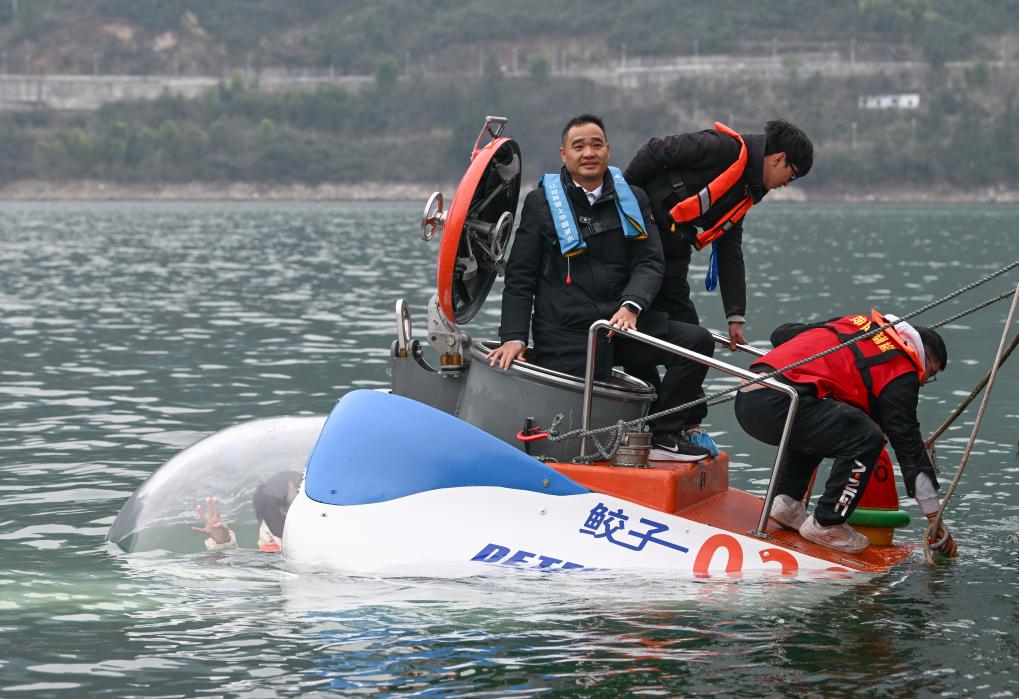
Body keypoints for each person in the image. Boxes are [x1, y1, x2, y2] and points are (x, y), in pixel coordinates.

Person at [487, 113, 715, 461]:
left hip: (619, 326)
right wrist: (514, 338)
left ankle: (663, 435)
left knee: (696, 343)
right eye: (578, 146)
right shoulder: (540, 203)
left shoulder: (633, 198)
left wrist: (631, 305)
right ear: (564, 155)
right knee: (572, 419)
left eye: (596, 144)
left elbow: (650, 262)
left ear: (608, 150)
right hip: (566, 334)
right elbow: (520, 279)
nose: (588, 152)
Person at [733, 310, 958, 556]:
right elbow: (908, 445)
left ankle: (787, 503)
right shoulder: (901, 369)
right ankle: (827, 524)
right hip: (778, 407)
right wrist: (933, 517)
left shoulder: (857, 325)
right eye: (930, 373)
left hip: (749, 397)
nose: (923, 382)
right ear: (923, 356)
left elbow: (781, 335)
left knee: (828, 413)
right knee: (867, 436)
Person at [623, 119, 813, 348]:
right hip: (643, 239)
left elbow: (729, 250)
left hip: (673, 250)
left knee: (693, 340)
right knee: (664, 338)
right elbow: (655, 151)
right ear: (779, 158)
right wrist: (622, 205)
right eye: (792, 175)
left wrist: (735, 316)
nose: (787, 184)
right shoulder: (721, 147)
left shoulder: (747, 190)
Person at [193, 470, 301, 552]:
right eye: (299, 491)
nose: (309, 493)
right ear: (284, 510)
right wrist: (223, 544)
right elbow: (226, 574)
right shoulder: (272, 547)